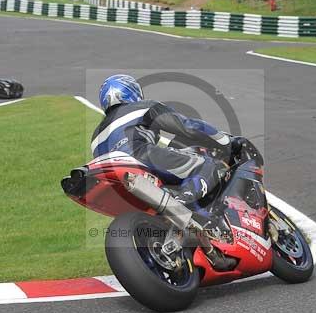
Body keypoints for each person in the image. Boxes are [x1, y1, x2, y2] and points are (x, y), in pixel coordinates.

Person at [93, 74, 242, 269]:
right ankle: (183, 198)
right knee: (208, 165)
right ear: (131, 92)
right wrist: (225, 140)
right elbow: (187, 127)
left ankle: (183, 225)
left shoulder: (95, 136)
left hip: (118, 178)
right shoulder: (142, 107)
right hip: (142, 157)